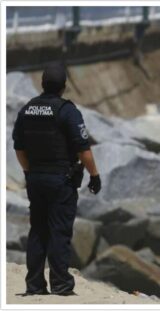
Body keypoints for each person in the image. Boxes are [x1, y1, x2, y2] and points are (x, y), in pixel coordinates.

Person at [12, 63, 102, 296]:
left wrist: (29, 172)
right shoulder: (67, 111)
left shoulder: (27, 110)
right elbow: (84, 150)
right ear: (64, 87)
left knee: (38, 231)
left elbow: (19, 148)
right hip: (61, 181)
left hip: (36, 178)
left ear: (42, 84)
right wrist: (94, 175)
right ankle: (61, 284)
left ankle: (34, 284)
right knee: (59, 232)